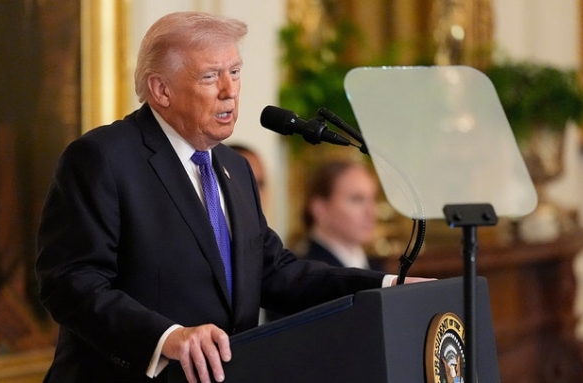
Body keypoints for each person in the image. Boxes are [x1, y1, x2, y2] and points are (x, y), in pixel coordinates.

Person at [35, 11, 430, 383]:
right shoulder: (104, 158)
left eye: (235, 72)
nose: (229, 91)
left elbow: (275, 272)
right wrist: (166, 337)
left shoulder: (234, 168)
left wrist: (388, 288)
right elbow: (70, 282)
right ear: (161, 90)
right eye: (210, 77)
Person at [301, 159, 386, 271]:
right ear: (320, 209)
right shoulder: (306, 274)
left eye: (373, 199)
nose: (372, 212)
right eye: (356, 199)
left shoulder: (376, 267)